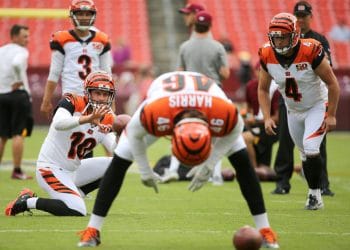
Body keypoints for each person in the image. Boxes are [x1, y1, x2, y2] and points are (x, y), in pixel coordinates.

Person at [77, 71, 279, 248]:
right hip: (168, 98)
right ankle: (93, 230)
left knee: (243, 164)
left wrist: (210, 164)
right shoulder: (154, 112)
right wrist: (145, 168)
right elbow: (134, 136)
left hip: (205, 101)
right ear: (171, 136)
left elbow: (235, 131)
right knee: (119, 161)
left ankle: (265, 230)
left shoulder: (224, 112)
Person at [5, 71, 129, 216]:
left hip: (74, 170)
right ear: (87, 92)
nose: (102, 98)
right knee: (78, 210)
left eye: (105, 94)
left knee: (116, 165)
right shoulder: (72, 101)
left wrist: (123, 137)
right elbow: (58, 123)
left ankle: (75, 195)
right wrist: (88, 118)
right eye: (97, 93)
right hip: (51, 168)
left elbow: (114, 149)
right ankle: (26, 201)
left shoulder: (108, 117)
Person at [258, 13, 340, 210]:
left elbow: (333, 84)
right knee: (304, 154)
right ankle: (314, 191)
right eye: (275, 36)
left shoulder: (310, 50)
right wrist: (267, 117)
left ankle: (315, 196)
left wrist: (331, 115)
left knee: (311, 149)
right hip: (292, 110)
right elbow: (262, 88)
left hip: (316, 106)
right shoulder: (267, 53)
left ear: (295, 35)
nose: (278, 41)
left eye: (283, 36)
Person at [271, 1, 335, 196]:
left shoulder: (318, 41)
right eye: (297, 16)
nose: (300, 20)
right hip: (290, 99)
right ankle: (282, 181)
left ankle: (321, 184)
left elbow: (327, 70)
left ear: (310, 17)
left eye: (304, 16)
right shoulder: (281, 38)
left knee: (316, 144)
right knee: (285, 141)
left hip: (313, 97)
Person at [161, 11, 230, 185]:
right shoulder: (217, 47)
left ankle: (173, 169)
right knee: (216, 134)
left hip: (190, 93)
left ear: (195, 26)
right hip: (212, 92)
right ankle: (216, 175)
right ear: (210, 26)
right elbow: (225, 73)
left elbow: (179, 73)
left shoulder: (185, 46)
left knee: (181, 128)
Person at [40, 0, 112, 119]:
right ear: (72, 16)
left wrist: (111, 103)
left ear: (93, 16)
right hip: (71, 97)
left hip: (95, 97)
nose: (84, 17)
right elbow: (54, 72)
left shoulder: (101, 39)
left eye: (87, 14)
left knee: (98, 135)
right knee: (66, 132)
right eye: (80, 13)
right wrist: (46, 100)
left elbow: (107, 74)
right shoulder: (62, 38)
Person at [0, 24, 33, 180]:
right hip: (17, 95)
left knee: (2, 135)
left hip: (1, 94)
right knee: (18, 133)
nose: (27, 39)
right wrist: (20, 80)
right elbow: (16, 64)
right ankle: (17, 170)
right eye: (24, 36)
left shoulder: (1, 50)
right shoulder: (21, 52)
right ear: (14, 36)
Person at [243, 63, 279, 178]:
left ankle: (252, 171)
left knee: (245, 138)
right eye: (259, 70)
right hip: (257, 125)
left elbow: (277, 117)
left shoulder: (276, 88)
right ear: (254, 71)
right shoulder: (250, 86)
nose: (261, 73)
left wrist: (258, 120)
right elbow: (248, 109)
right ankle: (255, 169)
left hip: (271, 126)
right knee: (240, 135)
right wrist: (248, 117)